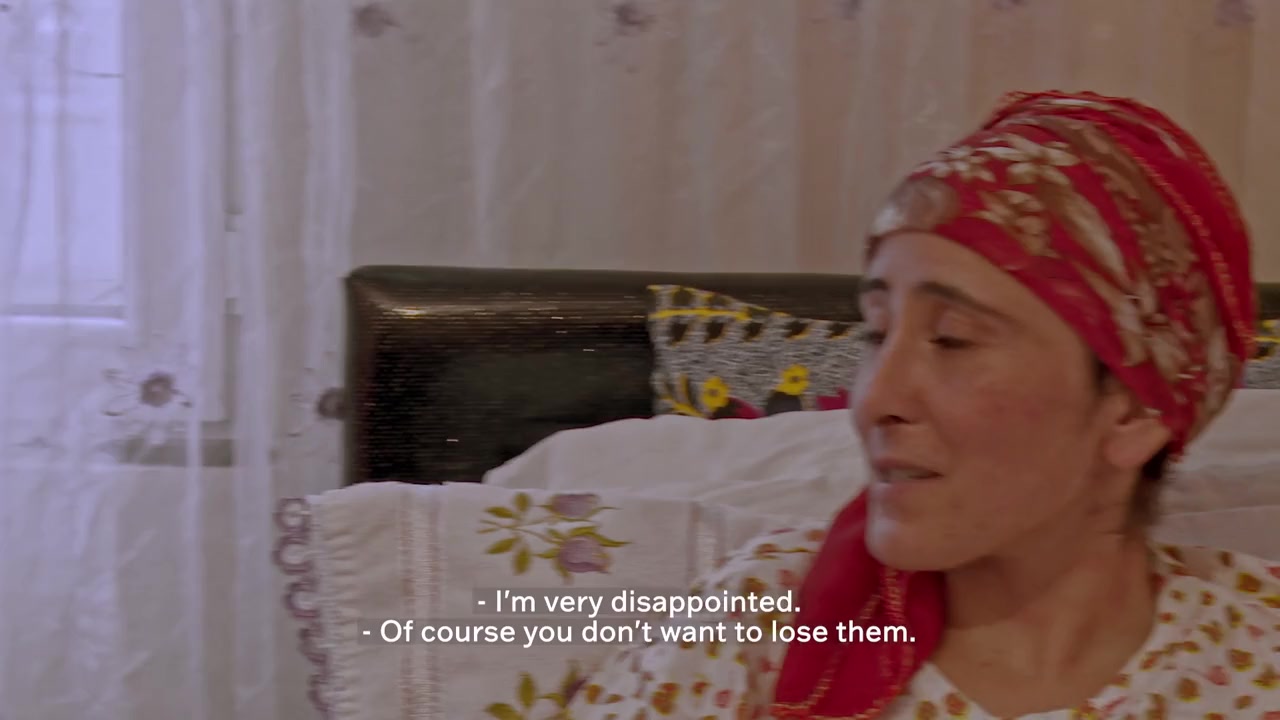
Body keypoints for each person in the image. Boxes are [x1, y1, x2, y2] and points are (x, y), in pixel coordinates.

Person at [565, 90, 1280, 719]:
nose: (874, 398)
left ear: (1131, 412)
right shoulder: (754, 629)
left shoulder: (1253, 666)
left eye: (953, 338)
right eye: (878, 333)